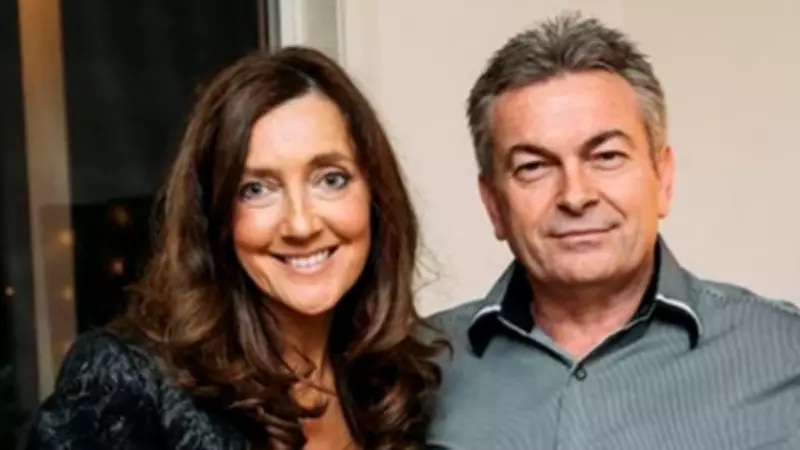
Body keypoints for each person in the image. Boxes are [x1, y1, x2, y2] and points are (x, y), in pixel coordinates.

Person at [26, 46, 444, 450]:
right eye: (256, 189)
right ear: (214, 216)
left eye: (331, 179)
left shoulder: (399, 387)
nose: (301, 224)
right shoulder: (126, 382)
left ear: (375, 196)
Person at [427, 12, 800, 450]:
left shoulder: (786, 354)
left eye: (606, 157)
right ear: (493, 203)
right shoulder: (414, 367)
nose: (575, 196)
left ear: (662, 178)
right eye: (533, 167)